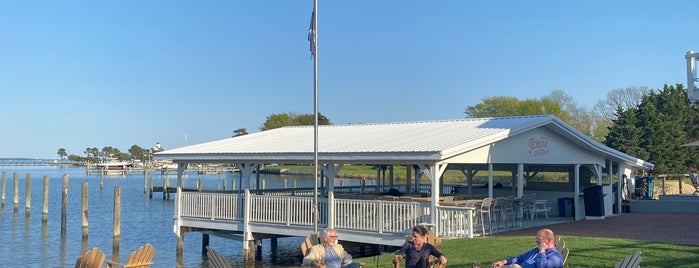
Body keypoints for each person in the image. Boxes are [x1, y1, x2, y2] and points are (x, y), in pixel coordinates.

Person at [490, 228, 562, 268]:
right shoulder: (536, 251)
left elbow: (542, 266)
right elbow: (520, 258)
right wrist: (504, 261)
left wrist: (542, 251)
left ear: (548, 241)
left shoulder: (555, 256)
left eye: (539, 241)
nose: (537, 244)